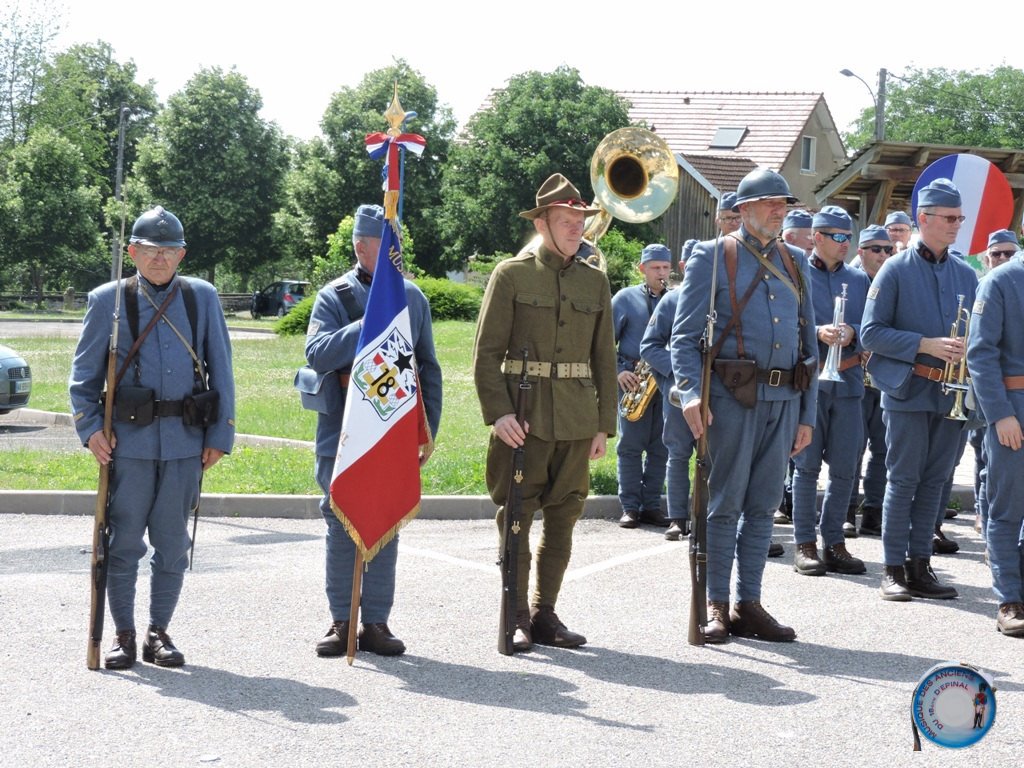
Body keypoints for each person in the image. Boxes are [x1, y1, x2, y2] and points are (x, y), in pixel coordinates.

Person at [69, 206, 236, 669]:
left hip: (185, 442)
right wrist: (89, 428)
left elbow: (221, 370)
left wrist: (219, 435)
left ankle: (158, 632)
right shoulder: (108, 300)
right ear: (132, 252)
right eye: (149, 249)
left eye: (168, 250)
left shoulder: (201, 298)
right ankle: (123, 633)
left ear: (181, 254)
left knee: (173, 543)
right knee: (123, 543)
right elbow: (83, 379)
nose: (159, 258)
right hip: (128, 445)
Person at [473, 173, 617, 653]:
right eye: (566, 220)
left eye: (580, 220)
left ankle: (545, 613)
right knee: (516, 515)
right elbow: (486, 353)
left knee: (564, 518)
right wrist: (499, 414)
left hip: (576, 420)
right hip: (524, 419)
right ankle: (515, 614)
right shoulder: (511, 275)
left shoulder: (595, 281)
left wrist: (604, 426)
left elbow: (605, 359)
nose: (577, 228)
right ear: (542, 223)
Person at [672, 169, 817, 643]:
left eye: (784, 204)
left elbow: (809, 345)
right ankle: (716, 602)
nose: (779, 211)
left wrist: (807, 414)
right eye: (771, 203)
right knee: (725, 503)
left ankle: (748, 602)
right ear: (745, 208)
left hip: (784, 400)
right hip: (732, 399)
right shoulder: (713, 257)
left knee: (763, 505)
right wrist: (691, 393)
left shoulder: (796, 259)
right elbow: (683, 337)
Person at [305, 204, 442, 658]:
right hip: (343, 433)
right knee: (340, 522)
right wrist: (370, 325)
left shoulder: (412, 298)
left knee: (387, 519)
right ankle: (341, 621)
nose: (392, 252)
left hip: (393, 431)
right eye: (384, 244)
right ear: (361, 247)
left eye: (395, 243)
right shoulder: (335, 296)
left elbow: (428, 368)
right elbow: (318, 354)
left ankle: (377, 622)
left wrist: (427, 431)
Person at [861, 178, 978, 602]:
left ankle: (920, 564)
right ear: (923, 219)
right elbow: (870, 333)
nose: (956, 225)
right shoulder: (895, 269)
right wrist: (925, 344)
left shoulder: (967, 274)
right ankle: (892, 568)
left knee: (935, 481)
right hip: (908, 390)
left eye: (959, 218)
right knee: (903, 479)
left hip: (951, 392)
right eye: (949, 218)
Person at [789, 206, 870, 577]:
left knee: (845, 469)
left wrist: (854, 332)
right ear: (816, 237)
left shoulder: (860, 279)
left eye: (848, 237)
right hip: (811, 382)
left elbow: (874, 326)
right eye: (837, 237)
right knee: (806, 467)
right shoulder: (797, 273)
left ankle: (834, 542)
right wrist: (817, 332)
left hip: (848, 381)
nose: (845, 243)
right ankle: (805, 543)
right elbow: (783, 324)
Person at [967, 231, 1024, 636]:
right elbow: (980, 353)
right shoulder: (1001, 279)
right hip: (1013, 407)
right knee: (1006, 510)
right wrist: (1000, 414)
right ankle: (1009, 600)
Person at [613, 243, 672, 529]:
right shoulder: (624, 298)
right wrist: (618, 371)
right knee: (631, 446)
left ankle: (651, 506)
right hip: (634, 379)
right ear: (642, 269)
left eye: (665, 267)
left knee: (662, 447)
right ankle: (630, 507)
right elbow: (602, 342)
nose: (661, 273)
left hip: (665, 380)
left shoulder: (676, 299)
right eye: (655, 268)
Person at [850, 225, 893, 536]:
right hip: (855, 377)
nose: (882, 255)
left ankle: (873, 511)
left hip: (885, 378)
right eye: (876, 249)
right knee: (852, 449)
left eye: (888, 249)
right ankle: (847, 509)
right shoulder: (851, 281)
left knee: (883, 449)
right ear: (861, 251)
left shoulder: (895, 281)